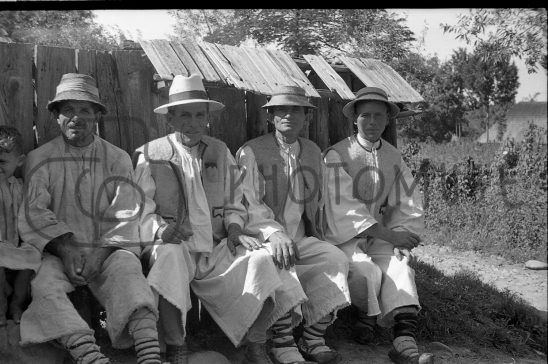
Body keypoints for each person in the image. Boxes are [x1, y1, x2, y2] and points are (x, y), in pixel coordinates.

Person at [133, 74, 308, 364]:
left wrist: (236, 230)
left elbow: (234, 201)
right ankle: (177, 347)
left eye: (199, 115)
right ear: (171, 120)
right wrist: (161, 230)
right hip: (175, 244)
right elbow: (138, 208)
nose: (192, 122)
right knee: (169, 258)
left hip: (216, 245)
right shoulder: (152, 154)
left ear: (207, 118)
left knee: (264, 259)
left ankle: (255, 343)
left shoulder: (219, 151)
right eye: (184, 115)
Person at [18, 73, 161, 364]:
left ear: (97, 115)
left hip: (106, 249)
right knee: (44, 283)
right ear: (56, 117)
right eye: (68, 110)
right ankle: (89, 355)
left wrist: (99, 253)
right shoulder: (39, 158)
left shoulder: (117, 157)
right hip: (57, 251)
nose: (76, 117)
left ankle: (150, 355)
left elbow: (126, 212)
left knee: (129, 273)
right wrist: (66, 249)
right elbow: (35, 212)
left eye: (85, 110)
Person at [236, 85, 351, 364]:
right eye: (281, 110)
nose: (289, 114)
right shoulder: (251, 152)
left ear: (307, 117)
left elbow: (321, 200)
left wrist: (322, 234)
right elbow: (247, 201)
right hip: (262, 238)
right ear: (270, 116)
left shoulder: (313, 152)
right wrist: (273, 233)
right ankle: (282, 343)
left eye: (296, 110)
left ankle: (312, 338)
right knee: (280, 262)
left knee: (334, 258)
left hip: (301, 237)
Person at [323, 86, 433, 364]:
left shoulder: (393, 157)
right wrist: (387, 235)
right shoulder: (337, 155)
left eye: (378, 117)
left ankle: (404, 343)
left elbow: (407, 201)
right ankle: (367, 315)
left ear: (387, 120)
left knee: (398, 266)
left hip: (381, 233)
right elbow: (342, 208)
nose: (372, 123)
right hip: (343, 235)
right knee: (363, 270)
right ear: (355, 119)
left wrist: (402, 237)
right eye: (365, 116)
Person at [0, 126, 41, 327]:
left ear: (20, 161)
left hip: (16, 246)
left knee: (33, 256)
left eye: (2, 162)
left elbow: (30, 215)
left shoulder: (20, 187)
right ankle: (1, 308)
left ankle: (17, 303)